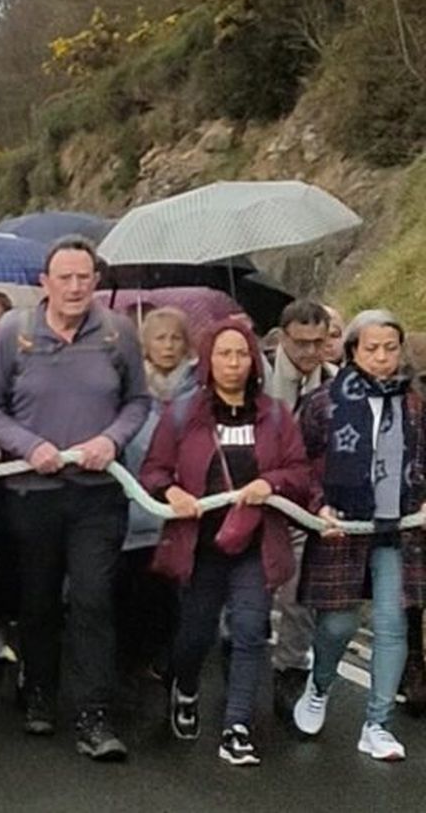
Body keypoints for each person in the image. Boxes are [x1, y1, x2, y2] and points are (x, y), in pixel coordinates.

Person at [0, 235, 149, 760]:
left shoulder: (118, 334)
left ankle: (94, 714)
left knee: (94, 599)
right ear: (43, 284)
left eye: (84, 277)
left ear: (96, 280)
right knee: (38, 601)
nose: (75, 287)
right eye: (64, 278)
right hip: (33, 490)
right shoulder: (14, 334)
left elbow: (138, 400)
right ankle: (40, 693)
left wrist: (109, 440)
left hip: (98, 494)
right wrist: (32, 446)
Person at [139, 319, 314, 767]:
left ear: (254, 360)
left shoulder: (276, 415)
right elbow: (154, 471)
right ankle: (187, 684)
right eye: (224, 354)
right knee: (195, 633)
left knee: (251, 631)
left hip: (256, 543)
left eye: (241, 354)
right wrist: (172, 492)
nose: (233, 364)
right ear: (208, 361)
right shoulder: (182, 414)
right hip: (199, 545)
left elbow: (299, 474)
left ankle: (237, 726)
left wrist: (269, 483)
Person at [292, 309, 426, 761]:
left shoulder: (413, 402)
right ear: (352, 350)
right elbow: (299, 462)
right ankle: (320, 684)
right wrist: (318, 504)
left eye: (390, 348)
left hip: (397, 525)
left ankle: (378, 723)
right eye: (371, 348)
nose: (382, 358)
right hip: (341, 525)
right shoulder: (324, 402)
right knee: (338, 624)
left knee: (392, 623)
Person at [263, 299, 337, 712]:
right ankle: (232, 645)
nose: (309, 352)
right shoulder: (260, 374)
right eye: (300, 342)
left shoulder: (334, 383)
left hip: (306, 500)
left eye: (318, 342)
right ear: (282, 338)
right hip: (256, 492)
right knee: (247, 587)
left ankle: (290, 669)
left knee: (299, 590)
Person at [114, 308, 196, 680]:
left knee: (168, 591)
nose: (168, 345)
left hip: (178, 506)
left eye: (175, 338)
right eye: (160, 337)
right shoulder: (127, 388)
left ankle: (162, 658)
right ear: (144, 344)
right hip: (130, 503)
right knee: (129, 589)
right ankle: (129, 658)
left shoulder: (198, 393)